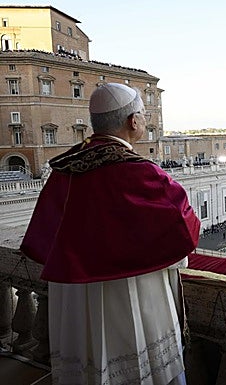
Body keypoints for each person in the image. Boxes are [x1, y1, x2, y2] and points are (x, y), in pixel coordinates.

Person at [20, 83, 201, 385]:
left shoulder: (65, 170)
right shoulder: (142, 172)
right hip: (133, 289)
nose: (144, 119)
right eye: (143, 114)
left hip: (75, 293)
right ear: (133, 122)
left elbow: (44, 237)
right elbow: (185, 227)